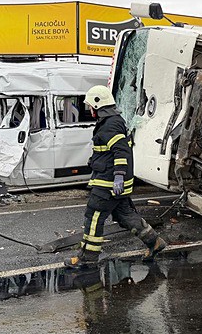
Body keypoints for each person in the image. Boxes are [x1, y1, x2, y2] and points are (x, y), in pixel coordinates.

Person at [65, 85, 167, 268]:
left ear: (98, 105)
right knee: (125, 216)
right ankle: (154, 242)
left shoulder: (110, 124)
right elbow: (109, 150)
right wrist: (95, 160)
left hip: (109, 182)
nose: (89, 109)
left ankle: (88, 258)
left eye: (90, 106)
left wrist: (118, 176)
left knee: (93, 217)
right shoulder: (111, 122)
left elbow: (121, 152)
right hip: (112, 181)